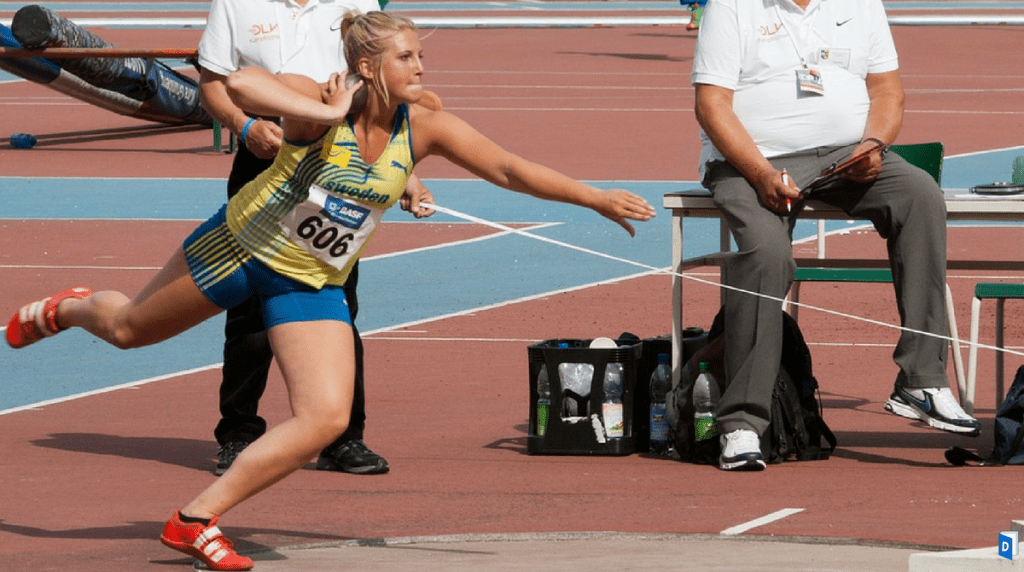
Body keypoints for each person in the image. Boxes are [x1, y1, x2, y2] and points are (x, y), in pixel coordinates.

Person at [5, 11, 656, 570]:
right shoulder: (317, 100)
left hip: (311, 278)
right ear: (368, 66)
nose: (421, 67)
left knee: (327, 417)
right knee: (128, 332)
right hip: (239, 248)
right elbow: (239, 82)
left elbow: (507, 167)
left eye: (422, 55)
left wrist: (592, 196)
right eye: (407, 56)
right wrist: (320, 109)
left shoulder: (420, 123)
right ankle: (66, 307)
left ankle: (195, 519)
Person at [691, 0, 980, 471]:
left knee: (921, 196)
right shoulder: (731, 6)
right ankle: (741, 422)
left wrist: (872, 145)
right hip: (752, 162)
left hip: (845, 156)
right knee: (767, 254)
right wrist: (761, 172)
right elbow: (711, 103)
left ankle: (922, 380)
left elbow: (888, 91)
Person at [196, 0, 428, 476]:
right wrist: (244, 126)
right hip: (267, 153)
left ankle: (344, 438)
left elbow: (385, 101)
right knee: (249, 311)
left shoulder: (357, 2)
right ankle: (238, 434)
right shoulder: (235, 3)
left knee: (340, 303)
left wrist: (404, 174)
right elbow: (214, 86)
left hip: (343, 161)